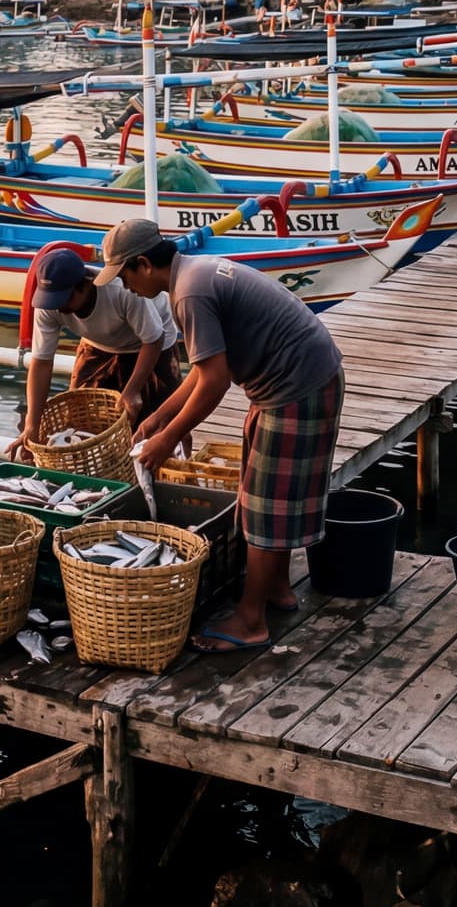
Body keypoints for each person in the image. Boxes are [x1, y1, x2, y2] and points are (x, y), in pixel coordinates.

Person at [110, 218, 346, 654]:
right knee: (264, 492)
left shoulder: (189, 293)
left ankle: (251, 620)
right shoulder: (192, 274)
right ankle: (277, 590)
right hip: (291, 381)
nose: (123, 287)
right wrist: (160, 418)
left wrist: (169, 438)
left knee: (263, 504)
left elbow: (215, 383)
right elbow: (203, 371)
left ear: (143, 264)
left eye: (123, 276)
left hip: (298, 386)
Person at [7, 247, 180, 458]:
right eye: (54, 301)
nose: (58, 307)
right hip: (98, 343)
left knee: (154, 422)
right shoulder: (48, 302)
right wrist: (32, 424)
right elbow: (41, 362)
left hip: (153, 341)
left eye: (65, 299)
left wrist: (133, 389)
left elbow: (153, 339)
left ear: (86, 284)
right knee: (80, 424)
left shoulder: (120, 289)